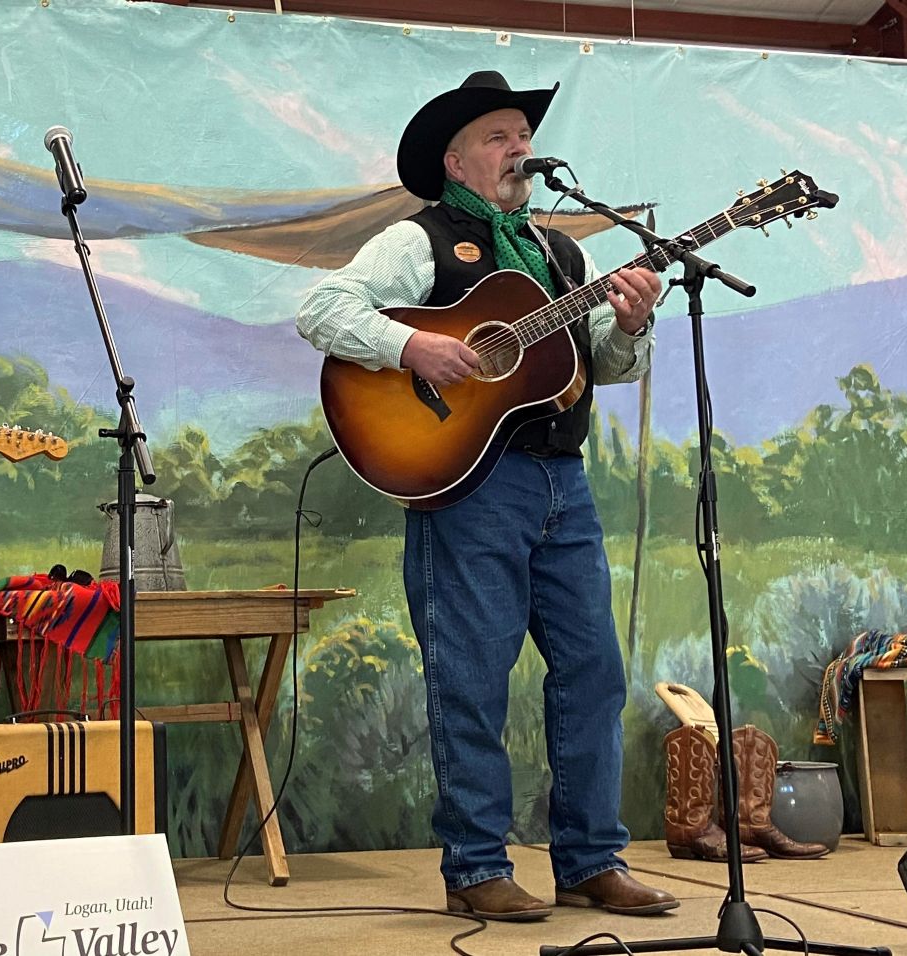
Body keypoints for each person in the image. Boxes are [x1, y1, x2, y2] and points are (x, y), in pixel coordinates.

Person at [296, 72, 675, 920]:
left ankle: (589, 859)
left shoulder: (561, 254)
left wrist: (635, 322)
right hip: (469, 484)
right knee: (471, 677)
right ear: (457, 159)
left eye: (524, 136)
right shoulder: (421, 240)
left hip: (561, 483)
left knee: (593, 671)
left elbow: (597, 366)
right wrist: (410, 348)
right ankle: (475, 867)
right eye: (500, 137)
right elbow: (323, 308)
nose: (521, 150)